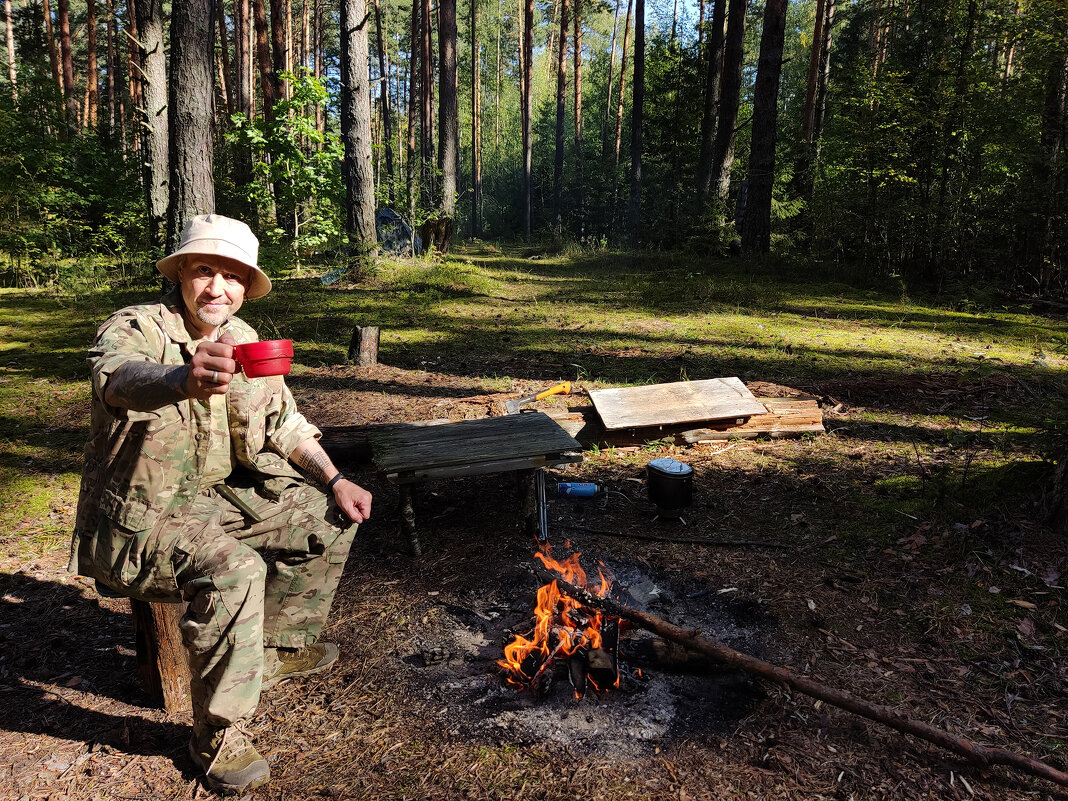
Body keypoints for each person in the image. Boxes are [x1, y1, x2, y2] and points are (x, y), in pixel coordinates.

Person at [68, 214, 373, 793]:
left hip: (214, 500)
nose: (217, 288)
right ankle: (216, 735)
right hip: (140, 516)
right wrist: (181, 378)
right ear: (182, 272)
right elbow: (117, 379)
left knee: (330, 516)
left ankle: (276, 650)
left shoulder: (243, 339)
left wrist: (335, 479)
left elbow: (286, 425)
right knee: (234, 569)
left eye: (233, 277)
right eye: (205, 270)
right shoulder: (136, 328)